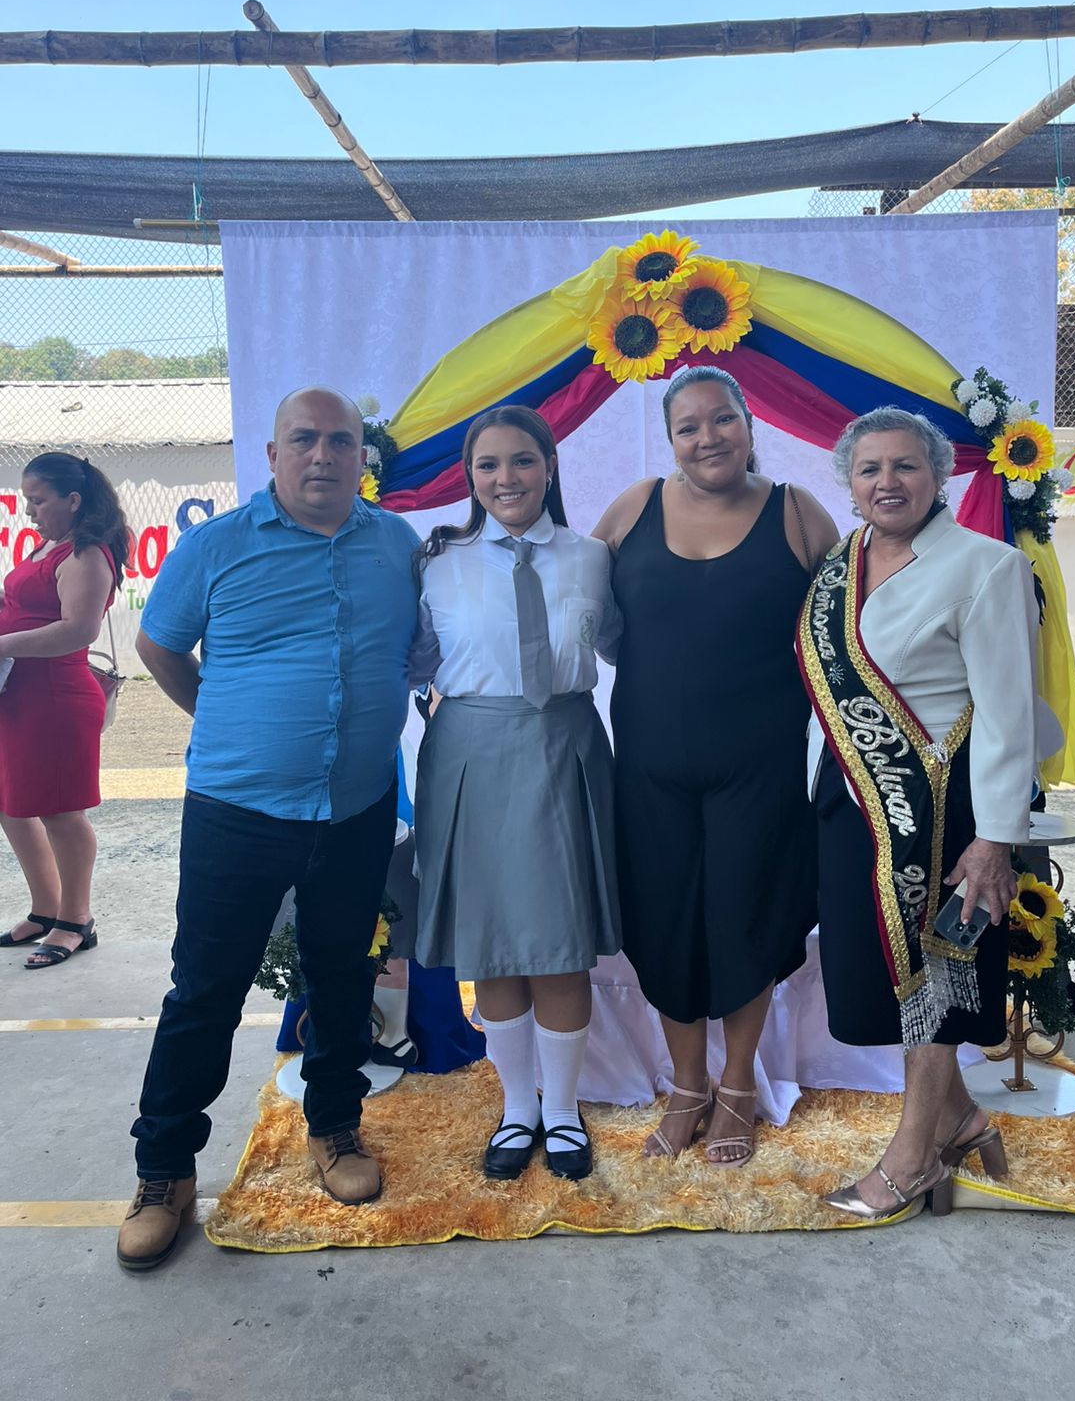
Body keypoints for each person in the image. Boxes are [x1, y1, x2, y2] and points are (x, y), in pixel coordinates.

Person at [117, 387, 422, 1273]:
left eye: (341, 441)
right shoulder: (215, 547)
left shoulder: (396, 545)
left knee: (342, 973)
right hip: (236, 813)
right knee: (204, 990)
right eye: (305, 439)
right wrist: (228, 723)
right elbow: (158, 647)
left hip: (357, 807)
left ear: (361, 456)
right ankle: (164, 1170)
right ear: (273, 454)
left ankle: (335, 1126)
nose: (323, 455)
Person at [798, 406, 1038, 1220]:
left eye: (905, 465)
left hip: (944, 812)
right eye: (870, 469)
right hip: (850, 802)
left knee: (937, 975)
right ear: (850, 482)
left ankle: (912, 1160)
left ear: (939, 475)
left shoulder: (986, 566)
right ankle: (961, 1118)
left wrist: (995, 840)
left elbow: (1007, 715)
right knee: (881, 983)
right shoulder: (839, 566)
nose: (887, 481)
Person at [594, 366, 838, 1168]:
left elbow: (852, 630)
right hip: (649, 766)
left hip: (759, 768)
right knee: (664, 928)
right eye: (689, 426)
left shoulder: (797, 514)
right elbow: (578, 608)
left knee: (746, 923)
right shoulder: (632, 508)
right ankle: (686, 1087)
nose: (708, 437)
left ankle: (737, 1086)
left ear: (749, 424)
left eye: (722, 419)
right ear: (670, 439)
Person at [403, 404, 620, 1182]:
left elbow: (628, 645)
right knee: (493, 947)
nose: (506, 478)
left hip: (564, 750)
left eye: (523, 460)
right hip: (470, 758)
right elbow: (410, 662)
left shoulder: (593, 557)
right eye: (488, 464)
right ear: (469, 476)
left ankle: (562, 1111)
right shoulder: (436, 562)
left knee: (559, 948)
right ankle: (517, 1109)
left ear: (550, 467)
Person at [0, 452, 130, 967]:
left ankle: (76, 920)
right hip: (19, 695)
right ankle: (45, 908)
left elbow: (78, 630)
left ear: (72, 500)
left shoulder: (86, 553)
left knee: (60, 810)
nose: (28, 511)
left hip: (54, 697)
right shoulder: (48, 545)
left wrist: (2, 644)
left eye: (37, 500)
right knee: (12, 803)